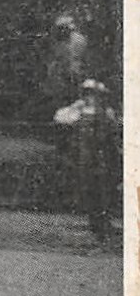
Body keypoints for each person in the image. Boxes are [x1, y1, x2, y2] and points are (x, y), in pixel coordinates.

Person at [53, 78, 120, 242]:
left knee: (104, 189)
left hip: (103, 155)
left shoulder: (107, 112)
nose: (91, 97)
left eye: (94, 94)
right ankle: (95, 224)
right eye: (87, 93)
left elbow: (114, 132)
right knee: (88, 189)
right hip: (84, 156)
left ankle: (104, 224)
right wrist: (76, 107)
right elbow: (60, 118)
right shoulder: (78, 111)